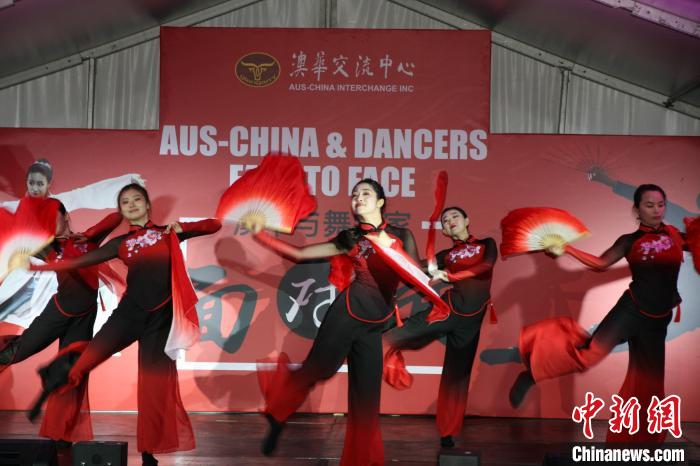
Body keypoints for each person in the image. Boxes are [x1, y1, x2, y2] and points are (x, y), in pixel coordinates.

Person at [27, 183, 221, 466]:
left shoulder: (167, 233)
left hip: (160, 321)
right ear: (122, 210)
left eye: (136, 199)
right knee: (84, 361)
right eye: (125, 202)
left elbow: (214, 225)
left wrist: (182, 228)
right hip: (129, 316)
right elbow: (79, 262)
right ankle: (54, 410)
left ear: (147, 205)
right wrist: (42, 265)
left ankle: (149, 453)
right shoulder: (120, 244)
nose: (131, 204)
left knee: (154, 387)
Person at [253, 178, 418, 466]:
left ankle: (362, 461)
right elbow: (300, 254)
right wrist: (260, 235)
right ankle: (277, 415)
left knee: (367, 399)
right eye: (354, 195)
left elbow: (415, 273)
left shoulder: (402, 234)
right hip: (347, 313)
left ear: (381, 201)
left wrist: (440, 272)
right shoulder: (350, 238)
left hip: (375, 323)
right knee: (319, 369)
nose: (358, 198)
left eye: (365, 193)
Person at [508, 184, 686, 444]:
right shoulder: (629, 241)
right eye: (649, 205)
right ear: (637, 210)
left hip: (658, 319)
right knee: (590, 353)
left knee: (650, 381)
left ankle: (643, 441)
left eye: (661, 204)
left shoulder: (676, 236)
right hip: (631, 310)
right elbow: (601, 264)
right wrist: (566, 248)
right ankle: (531, 375)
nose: (657, 210)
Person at [0, 200, 123, 444]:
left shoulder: (88, 240)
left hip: (83, 319)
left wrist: (88, 234)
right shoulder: (47, 247)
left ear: (66, 216)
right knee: (15, 353)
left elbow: (116, 217)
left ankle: (63, 434)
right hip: (57, 314)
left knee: (71, 377)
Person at [383, 206, 497, 448]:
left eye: (455, 216)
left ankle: (448, 430)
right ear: (444, 231)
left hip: (471, 322)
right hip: (448, 310)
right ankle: (378, 329)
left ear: (467, 220)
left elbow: (486, 266)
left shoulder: (487, 244)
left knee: (457, 377)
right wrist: (397, 247)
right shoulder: (446, 255)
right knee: (399, 334)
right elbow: (414, 267)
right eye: (445, 220)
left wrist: (451, 277)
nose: (450, 220)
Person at [1, 159, 143, 329]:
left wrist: (90, 234)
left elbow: (110, 214)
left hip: (86, 302)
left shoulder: (81, 238)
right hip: (46, 296)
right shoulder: (32, 241)